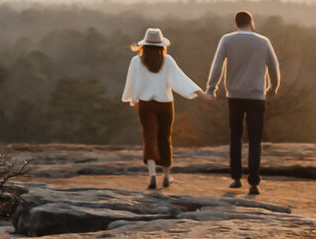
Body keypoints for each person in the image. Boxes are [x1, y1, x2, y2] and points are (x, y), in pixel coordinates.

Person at [206, 10, 282, 194]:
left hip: (235, 96)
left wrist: (211, 88)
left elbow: (217, 65)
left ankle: (236, 177)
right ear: (251, 22)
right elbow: (274, 67)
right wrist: (273, 87)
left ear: (236, 23)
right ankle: (254, 182)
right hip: (257, 96)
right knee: (255, 140)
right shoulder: (263, 42)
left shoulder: (227, 40)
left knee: (236, 136)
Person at [120, 28, 203, 192]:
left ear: (144, 45)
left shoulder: (136, 61)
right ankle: (166, 176)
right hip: (165, 103)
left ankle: (152, 176)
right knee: (165, 137)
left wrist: (133, 98)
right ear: (161, 46)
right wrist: (200, 93)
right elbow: (180, 79)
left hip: (145, 104)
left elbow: (132, 82)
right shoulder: (167, 60)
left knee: (149, 137)